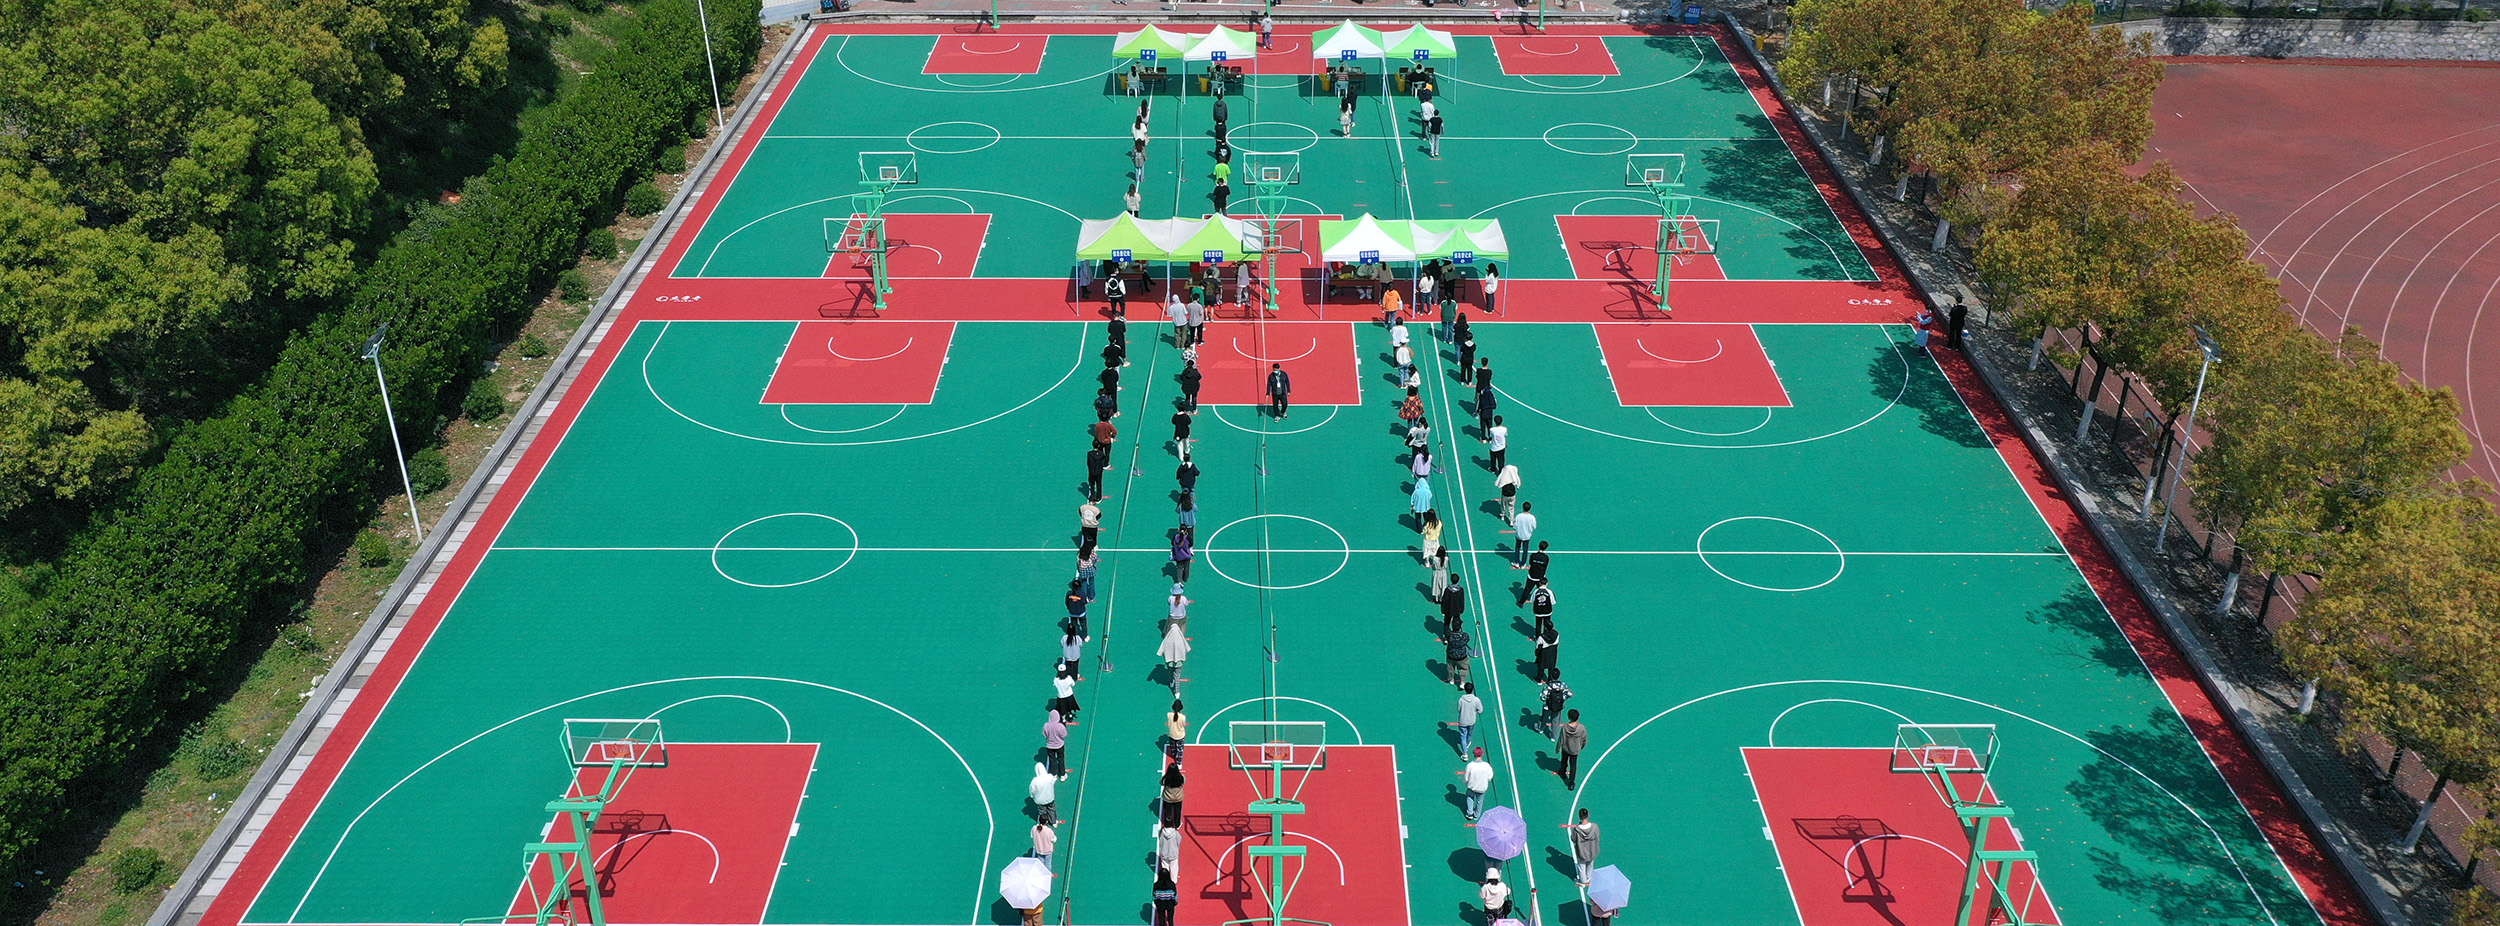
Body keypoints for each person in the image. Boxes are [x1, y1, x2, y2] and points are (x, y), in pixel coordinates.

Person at [1557, 707, 1588, 790]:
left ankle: (1562, 772)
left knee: (1564, 761)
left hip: (1566, 748)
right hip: (1575, 750)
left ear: (1569, 717)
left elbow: (1561, 739)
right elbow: (1584, 739)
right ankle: (1571, 783)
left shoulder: (1565, 727)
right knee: (1573, 765)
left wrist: (1558, 748)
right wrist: (1581, 747)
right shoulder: (1581, 728)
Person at [1569, 808, 1600, 885]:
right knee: (1590, 863)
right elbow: (1598, 834)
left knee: (1581, 866)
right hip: (1592, 850)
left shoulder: (1577, 830)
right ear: (1588, 815)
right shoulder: (1594, 827)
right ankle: (1588, 877)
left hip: (1582, 852)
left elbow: (1573, 839)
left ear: (1579, 817)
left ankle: (1582, 881)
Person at [1540, 668, 1572, 739]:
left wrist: (1547, 700)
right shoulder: (1562, 685)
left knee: (1544, 718)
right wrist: (1563, 699)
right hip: (1558, 707)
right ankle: (1553, 737)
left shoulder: (1548, 685)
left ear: (1551, 676)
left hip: (1548, 707)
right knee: (1555, 722)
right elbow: (1569, 694)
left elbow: (1543, 697)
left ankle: (1541, 729)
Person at [1462, 747, 1493, 821]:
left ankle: (1470, 813)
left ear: (1473, 754)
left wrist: (1466, 782)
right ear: (1482, 754)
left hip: (1472, 787)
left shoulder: (1470, 765)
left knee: (1470, 798)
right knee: (1479, 801)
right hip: (1482, 788)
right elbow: (1490, 776)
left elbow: (1466, 777)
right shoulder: (1486, 766)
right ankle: (1477, 815)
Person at [1453, 683, 1483, 757]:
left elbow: (1458, 710)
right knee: (1470, 733)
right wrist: (1474, 713)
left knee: (1463, 736)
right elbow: (1480, 710)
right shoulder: (1476, 700)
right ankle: (1467, 743)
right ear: (1472, 689)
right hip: (1472, 721)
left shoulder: (1461, 700)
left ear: (1465, 690)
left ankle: (1465, 753)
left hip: (1463, 721)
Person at [1443, 623, 1471, 688]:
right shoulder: (1464, 635)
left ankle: (1451, 679)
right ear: (1460, 627)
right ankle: (1462, 682)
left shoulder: (1449, 635)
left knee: (1450, 668)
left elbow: (1446, 638)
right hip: (1462, 657)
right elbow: (1467, 640)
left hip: (1451, 655)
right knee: (1463, 669)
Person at [1159, 761, 1186, 828]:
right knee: (1177, 811)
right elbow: (1184, 781)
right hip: (1178, 798)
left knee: (1168, 811)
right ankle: (1177, 824)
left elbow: (1161, 782)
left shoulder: (1165, 779)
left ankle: (1168, 824)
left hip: (1168, 798)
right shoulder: (1181, 778)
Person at [1043, 710, 1069, 778]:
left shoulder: (1046, 725)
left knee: (1052, 760)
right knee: (1061, 759)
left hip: (1050, 746)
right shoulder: (1060, 726)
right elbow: (1064, 735)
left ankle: (1054, 774)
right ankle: (1062, 774)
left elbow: (1044, 735)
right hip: (1059, 745)